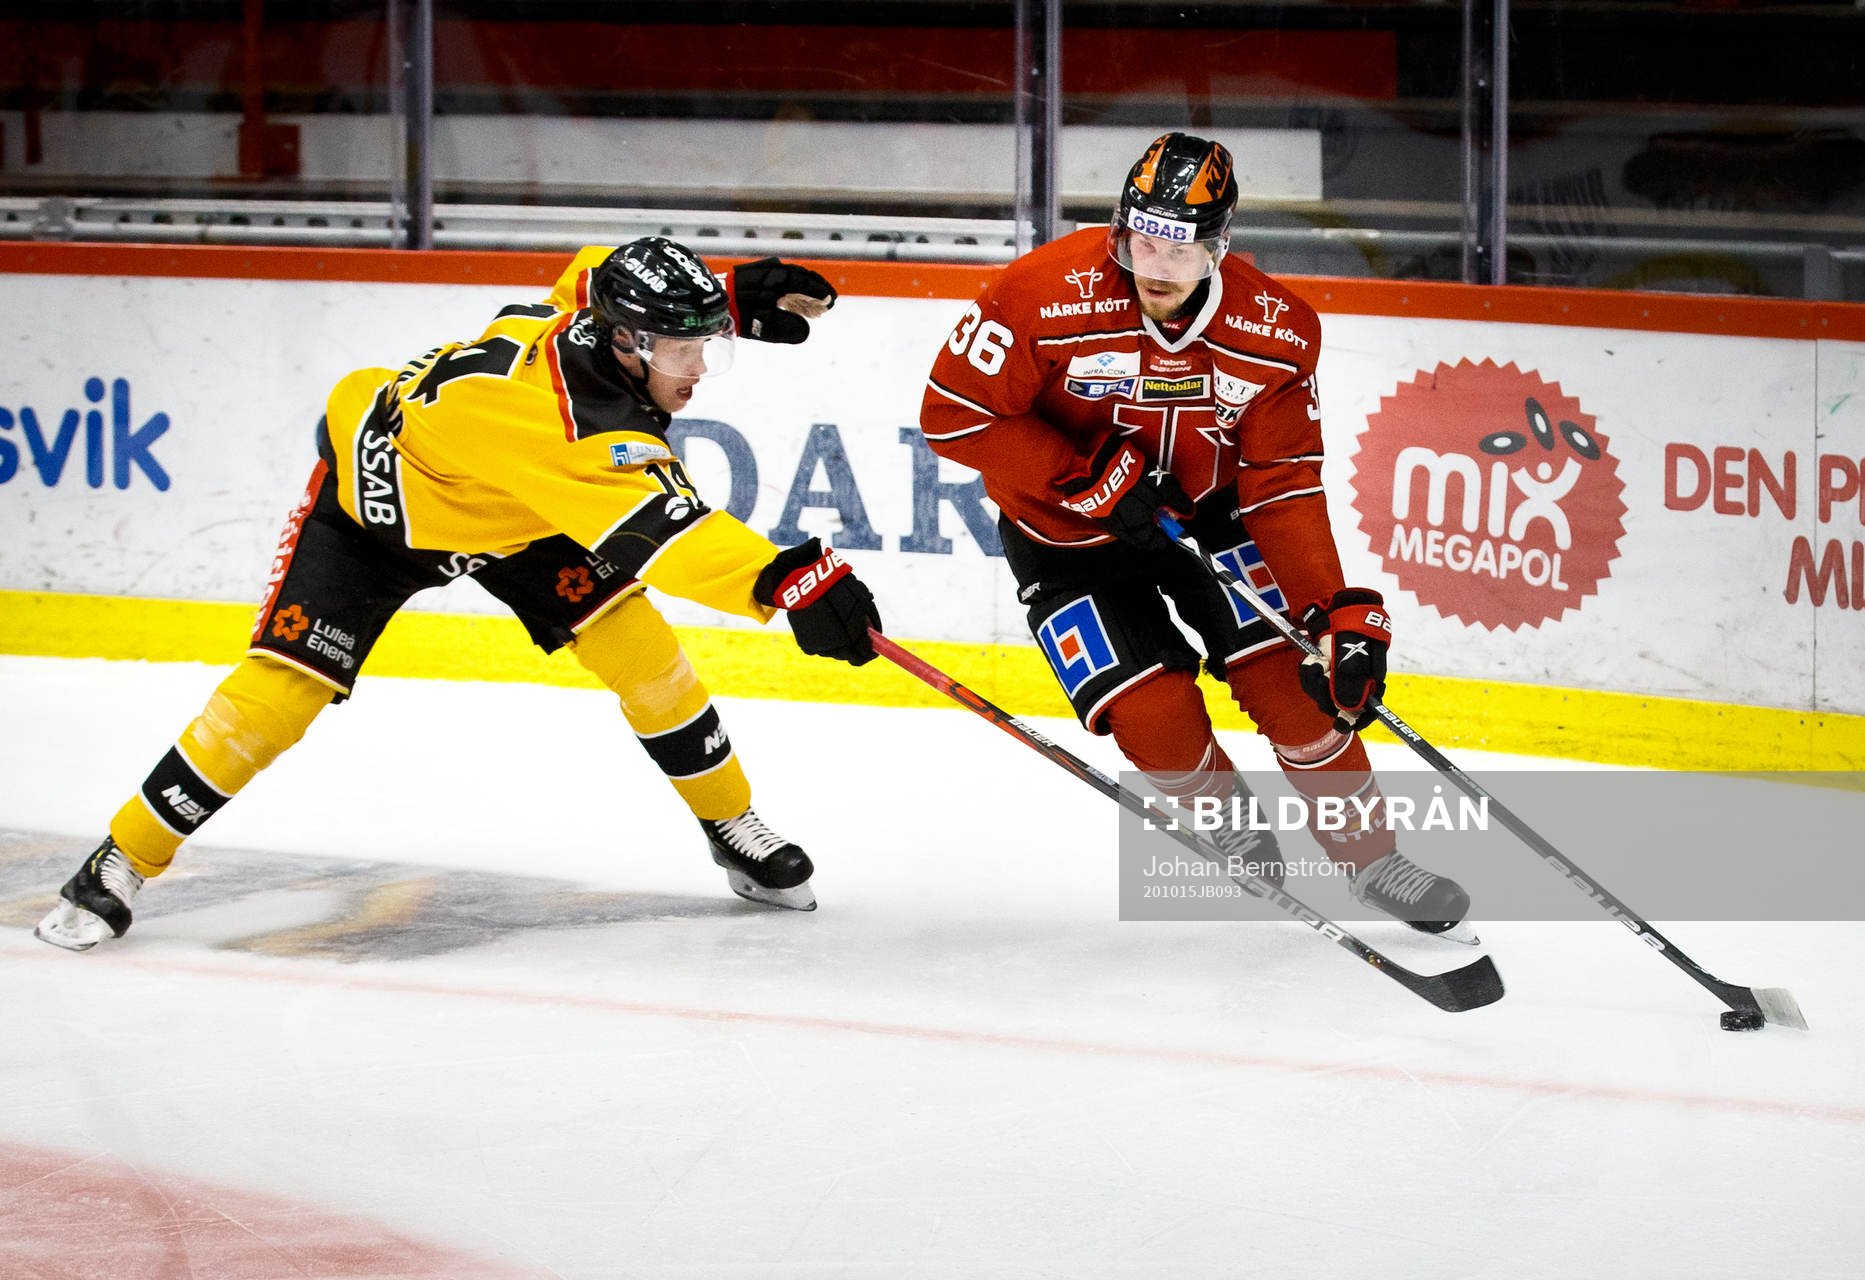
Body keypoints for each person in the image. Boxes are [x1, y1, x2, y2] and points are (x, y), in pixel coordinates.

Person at [36, 237, 883, 951]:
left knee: (643, 653)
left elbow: (590, 270)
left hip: (509, 508)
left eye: (705, 347)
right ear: (622, 345)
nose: (698, 370)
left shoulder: (581, 318)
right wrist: (789, 580)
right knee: (274, 701)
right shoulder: (574, 431)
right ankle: (120, 859)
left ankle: (731, 827)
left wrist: (719, 293)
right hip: (375, 520)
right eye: (678, 351)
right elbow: (673, 533)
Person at [919, 132, 1471, 938]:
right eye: (1139, 239)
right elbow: (953, 416)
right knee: (1153, 716)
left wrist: (1333, 610)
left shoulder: (1277, 329)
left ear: (1219, 246)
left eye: (1178, 251)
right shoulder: (1038, 292)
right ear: (1117, 225)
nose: (1153, 267)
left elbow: (1282, 485)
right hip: (1062, 535)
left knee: (1299, 695)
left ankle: (1372, 861)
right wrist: (1085, 474)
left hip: (1208, 525)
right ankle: (1227, 817)